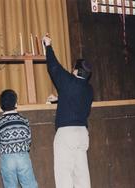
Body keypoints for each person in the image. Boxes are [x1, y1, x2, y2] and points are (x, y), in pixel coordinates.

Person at [43, 35, 93, 188]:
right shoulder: (89, 89)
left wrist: (48, 46)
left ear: (76, 71)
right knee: (82, 176)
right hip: (82, 134)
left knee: (64, 176)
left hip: (66, 134)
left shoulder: (69, 81)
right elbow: (75, 99)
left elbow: (54, 67)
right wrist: (59, 98)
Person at [0, 89, 38, 188]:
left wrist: (4, 151)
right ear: (16, 104)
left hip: (6, 158)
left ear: (1, 106)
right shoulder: (24, 120)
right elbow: (28, 140)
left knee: (10, 185)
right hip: (22, 156)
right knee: (29, 184)